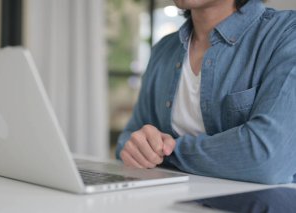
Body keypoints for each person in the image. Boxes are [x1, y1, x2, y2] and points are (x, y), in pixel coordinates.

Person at [116, 0, 296, 184]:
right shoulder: (163, 51)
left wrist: (164, 153)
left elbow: (269, 158)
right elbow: (129, 138)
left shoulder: (287, 34)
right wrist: (136, 149)